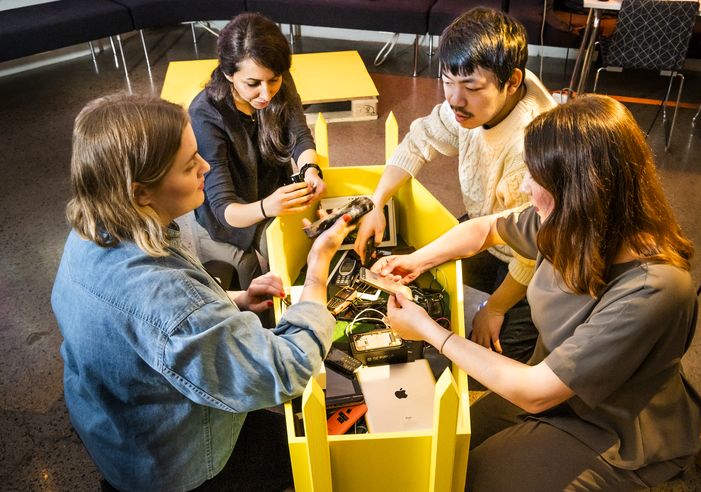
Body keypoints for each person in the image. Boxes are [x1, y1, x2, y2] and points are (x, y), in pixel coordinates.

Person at [373, 95, 701, 490]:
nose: (526, 186)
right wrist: (418, 261)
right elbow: (484, 230)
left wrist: (429, 331)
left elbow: (534, 393)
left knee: (473, 478)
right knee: (451, 444)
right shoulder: (574, 224)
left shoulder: (654, 289)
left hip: (615, 426)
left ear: (582, 190)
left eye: (537, 177)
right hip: (556, 387)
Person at [51, 93, 351, 492]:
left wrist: (231, 301)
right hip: (181, 464)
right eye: (190, 164)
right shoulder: (165, 298)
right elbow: (286, 369)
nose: (206, 167)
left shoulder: (91, 229)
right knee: (306, 458)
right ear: (141, 192)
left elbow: (142, 330)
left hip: (119, 435)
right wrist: (317, 269)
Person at [354, 7, 557, 363]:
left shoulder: (530, 143)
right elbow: (419, 141)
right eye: (448, 81)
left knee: (499, 352)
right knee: (421, 284)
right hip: (487, 227)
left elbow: (529, 251)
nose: (454, 99)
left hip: (536, 255)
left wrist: (494, 310)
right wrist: (376, 202)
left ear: (512, 81)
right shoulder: (475, 101)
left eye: (470, 87)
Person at [187, 12, 326, 289]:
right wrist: (267, 206)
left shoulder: (276, 78)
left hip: (272, 196)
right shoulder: (205, 113)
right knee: (252, 276)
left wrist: (310, 168)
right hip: (231, 217)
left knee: (294, 254)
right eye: (253, 84)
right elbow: (225, 208)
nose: (266, 94)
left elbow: (299, 134)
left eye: (273, 80)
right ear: (228, 73)